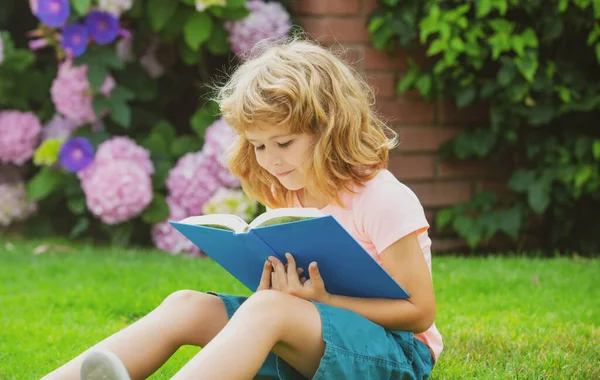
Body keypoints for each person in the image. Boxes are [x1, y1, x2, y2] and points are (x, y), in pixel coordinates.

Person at [43, 37, 443, 380]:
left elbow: (419, 313)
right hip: (309, 333)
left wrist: (320, 303)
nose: (270, 160)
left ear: (330, 129)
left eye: (283, 143)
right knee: (187, 305)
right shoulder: (289, 195)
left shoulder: (382, 198)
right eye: (258, 144)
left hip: (397, 353)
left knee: (269, 308)